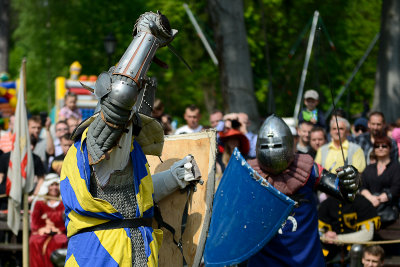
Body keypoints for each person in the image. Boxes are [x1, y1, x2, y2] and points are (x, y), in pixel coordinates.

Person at [60, 12, 201, 266]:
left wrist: (174, 178)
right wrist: (147, 36)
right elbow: (120, 95)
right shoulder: (96, 146)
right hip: (102, 255)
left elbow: (135, 195)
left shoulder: (128, 151)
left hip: (132, 250)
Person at [243, 114, 360, 266]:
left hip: (306, 258)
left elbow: (345, 193)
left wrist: (351, 179)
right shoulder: (248, 171)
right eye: (266, 146)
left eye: (277, 145)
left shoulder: (307, 168)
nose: (272, 150)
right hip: (265, 260)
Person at [318, 194, 380, 264]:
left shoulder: (361, 202)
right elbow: (317, 231)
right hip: (332, 252)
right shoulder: (327, 204)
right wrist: (325, 235)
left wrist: (338, 239)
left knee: (357, 250)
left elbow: (367, 235)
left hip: (357, 254)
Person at [360, 135, 400, 227]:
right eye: (377, 146)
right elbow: (362, 186)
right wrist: (371, 198)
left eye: (384, 146)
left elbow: (396, 188)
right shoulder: (369, 168)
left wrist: (379, 200)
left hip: (389, 210)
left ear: (390, 148)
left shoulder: (396, 167)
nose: (380, 148)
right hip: (369, 208)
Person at [29, 176, 67, 267]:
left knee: (59, 241)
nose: (54, 188)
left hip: (59, 232)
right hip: (42, 232)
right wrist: (42, 229)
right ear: (47, 187)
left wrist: (58, 229)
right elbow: (35, 222)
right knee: (34, 241)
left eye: (56, 185)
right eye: (51, 185)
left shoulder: (63, 204)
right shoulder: (39, 204)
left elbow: (66, 221)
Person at [0, 135, 46, 206]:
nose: (32, 147)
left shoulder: (36, 159)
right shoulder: (5, 157)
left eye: (33, 144)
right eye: (29, 144)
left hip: (26, 198)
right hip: (5, 197)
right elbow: (0, 177)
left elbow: (41, 179)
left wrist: (33, 196)